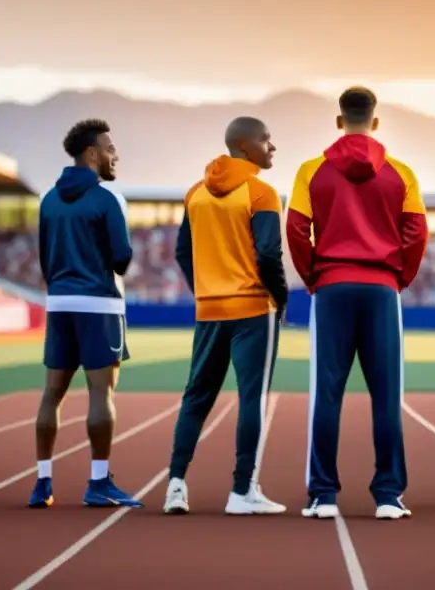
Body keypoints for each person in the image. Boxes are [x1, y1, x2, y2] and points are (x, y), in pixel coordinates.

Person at [286, 86, 429, 521]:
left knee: (326, 394)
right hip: (381, 289)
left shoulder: (310, 171)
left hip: (331, 287)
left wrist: (315, 276)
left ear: (338, 120)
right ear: (376, 121)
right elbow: (417, 232)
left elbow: (295, 230)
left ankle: (323, 495)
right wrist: (396, 277)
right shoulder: (402, 173)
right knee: (387, 395)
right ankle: (388, 495)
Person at [163, 117, 288, 516]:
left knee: (196, 396)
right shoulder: (261, 192)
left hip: (209, 309)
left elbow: (183, 251)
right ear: (245, 146)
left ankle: (176, 485)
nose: (272, 147)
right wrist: (280, 296)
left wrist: (203, 289)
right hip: (252, 307)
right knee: (251, 398)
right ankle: (241, 491)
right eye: (267, 140)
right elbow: (268, 253)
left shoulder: (196, 193)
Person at [28, 118, 141, 509]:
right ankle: (98, 483)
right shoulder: (109, 199)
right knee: (101, 393)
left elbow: (44, 261)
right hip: (100, 305)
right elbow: (122, 259)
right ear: (91, 154)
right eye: (110, 149)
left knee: (51, 394)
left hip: (59, 303)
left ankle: (42, 482)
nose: (115, 155)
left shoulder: (48, 199)